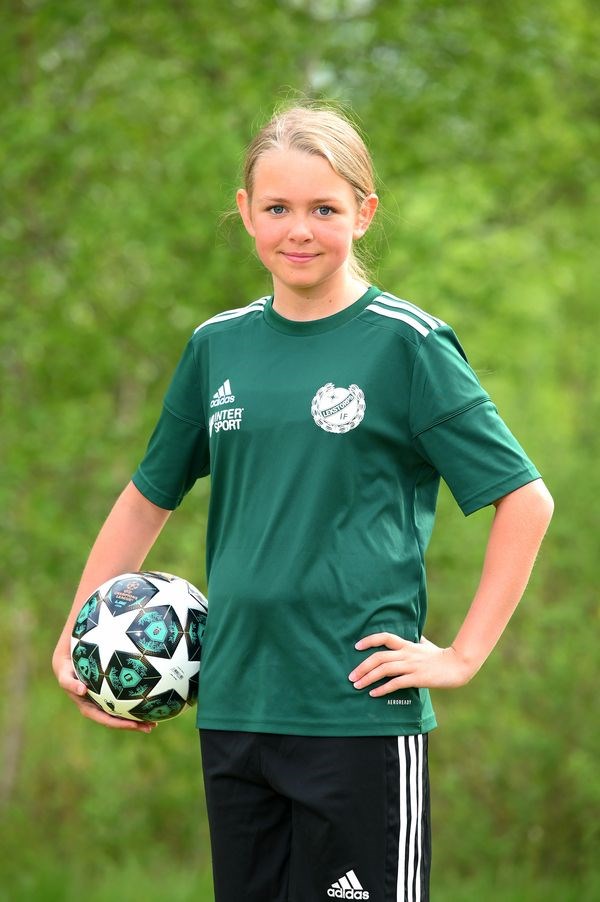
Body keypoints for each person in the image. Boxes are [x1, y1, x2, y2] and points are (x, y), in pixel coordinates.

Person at [53, 104, 554, 902]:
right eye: (278, 207)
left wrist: (461, 656)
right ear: (246, 212)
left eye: (324, 209)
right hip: (235, 710)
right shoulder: (217, 345)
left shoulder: (408, 345)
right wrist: (77, 638)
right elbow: (147, 499)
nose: (300, 230)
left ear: (364, 212)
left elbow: (525, 501)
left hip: (356, 716)